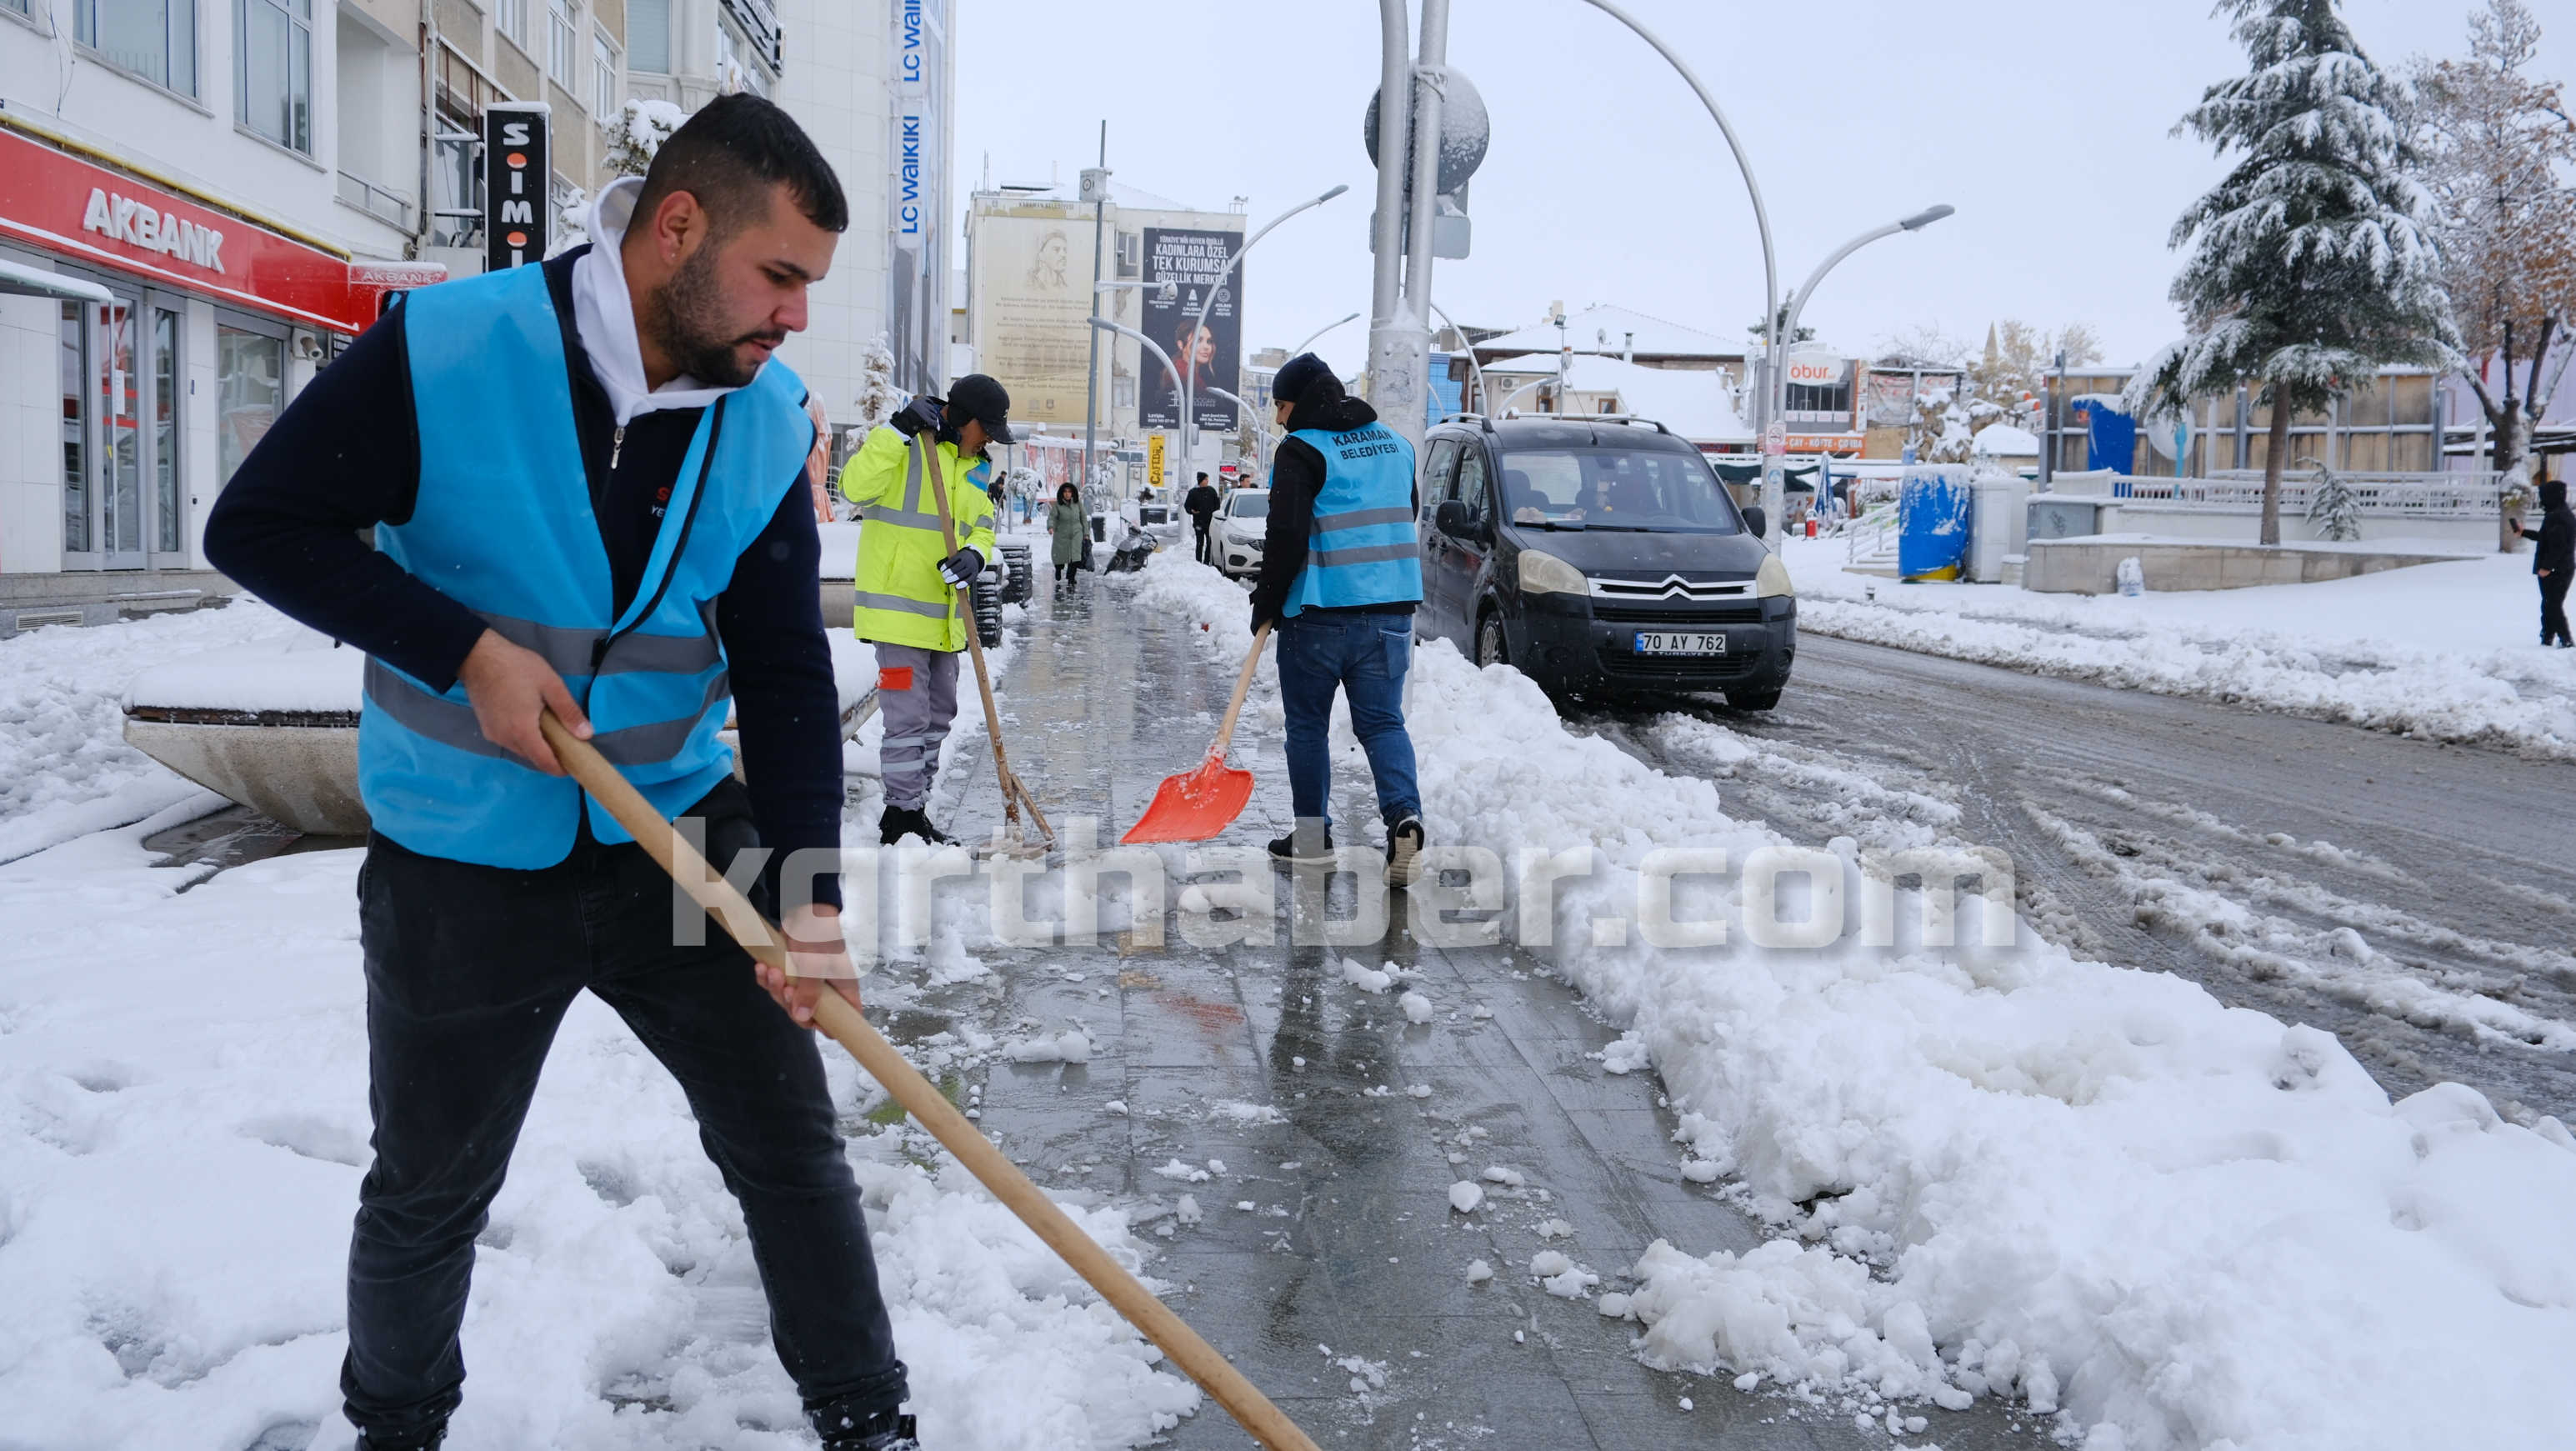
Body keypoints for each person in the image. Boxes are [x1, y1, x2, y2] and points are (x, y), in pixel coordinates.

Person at [201, 96, 918, 1451]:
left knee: (791, 1152)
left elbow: (780, 672)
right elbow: (259, 526)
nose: (795, 316)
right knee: (429, 1189)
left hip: (684, 838)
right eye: (781, 276)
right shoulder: (450, 350)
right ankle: (397, 1429)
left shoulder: (765, 423)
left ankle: (870, 1422)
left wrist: (809, 891)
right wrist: (457, 645)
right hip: (467, 854)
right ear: (678, 226)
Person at [1247, 353, 1427, 887]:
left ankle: (1311, 840)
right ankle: (1404, 818)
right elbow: (1404, 512)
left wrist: (1267, 601)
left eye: (1281, 405)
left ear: (1299, 401)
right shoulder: (1397, 446)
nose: (1279, 418)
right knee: (1383, 723)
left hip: (1319, 616)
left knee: (1307, 729)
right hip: (1391, 615)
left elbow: (1286, 535)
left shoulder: (1301, 450)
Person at [838, 375, 1008, 845]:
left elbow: (983, 524)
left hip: (947, 617)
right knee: (906, 717)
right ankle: (901, 814)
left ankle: (917, 804)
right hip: (895, 619)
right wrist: (896, 432)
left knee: (938, 715)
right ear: (964, 416)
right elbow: (855, 487)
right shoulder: (906, 442)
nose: (991, 437)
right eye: (987, 427)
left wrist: (975, 554)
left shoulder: (977, 465)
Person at [2512, 466, 2573, 648]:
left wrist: (2547, 567)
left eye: (2544, 496)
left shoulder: (2558, 517)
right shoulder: (2558, 514)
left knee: (2552, 605)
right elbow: (2545, 537)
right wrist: (2524, 533)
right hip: (2560, 569)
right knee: (2549, 605)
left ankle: (2566, 640)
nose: (2542, 500)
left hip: (2556, 571)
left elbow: (2558, 546)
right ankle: (2547, 637)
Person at [1048, 481, 1088, 586]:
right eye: (1065, 492)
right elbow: (1052, 517)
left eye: (1069, 492)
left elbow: (1083, 518)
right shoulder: (1058, 506)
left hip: (1076, 534)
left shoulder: (1078, 504)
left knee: (1074, 558)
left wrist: (1086, 533)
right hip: (1061, 534)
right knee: (1060, 556)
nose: (1067, 494)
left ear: (1073, 493)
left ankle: (1071, 577)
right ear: (1062, 493)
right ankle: (1058, 569)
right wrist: (1051, 527)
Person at [1186, 471, 1220, 564]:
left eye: (1207, 479)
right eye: (1205, 479)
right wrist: (1192, 511)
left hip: (1210, 522)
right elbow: (1187, 506)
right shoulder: (1193, 492)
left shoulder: (1211, 491)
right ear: (1200, 480)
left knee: (1209, 543)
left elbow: (1217, 504)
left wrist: (1215, 514)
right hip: (1199, 522)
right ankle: (1198, 562)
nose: (1207, 481)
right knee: (1200, 543)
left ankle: (1206, 561)